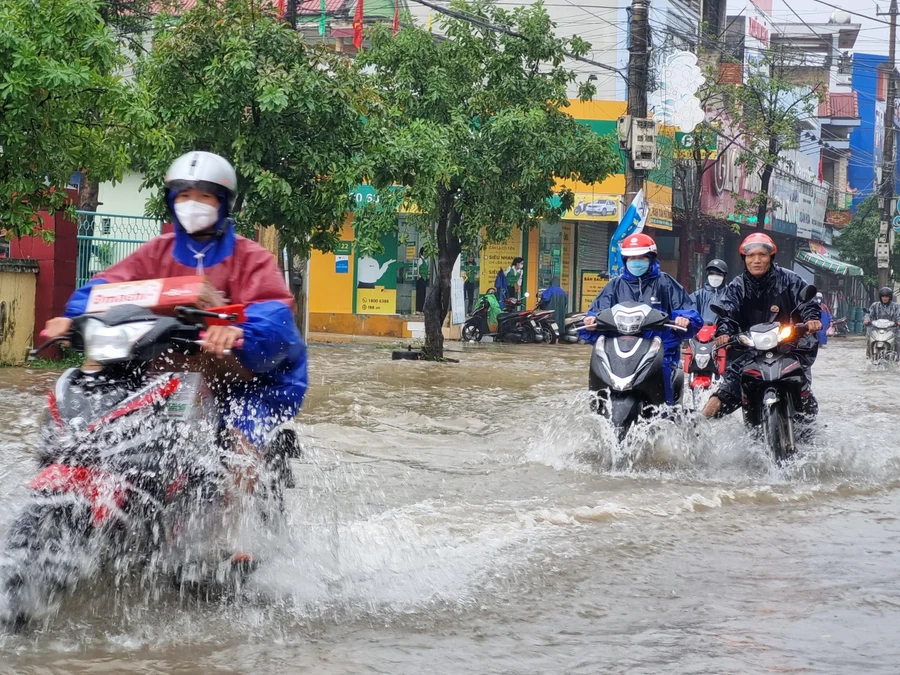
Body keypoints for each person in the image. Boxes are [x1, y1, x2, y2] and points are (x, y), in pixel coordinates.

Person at [43, 151, 309, 507]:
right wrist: (73, 316)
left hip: (250, 379)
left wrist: (240, 332)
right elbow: (106, 288)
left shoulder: (252, 257)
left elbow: (275, 315)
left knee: (238, 439)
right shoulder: (155, 253)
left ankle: (233, 536)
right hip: (171, 369)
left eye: (204, 196)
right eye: (183, 195)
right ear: (171, 201)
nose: (192, 204)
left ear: (223, 203)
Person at [701, 233, 822, 419]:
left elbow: (807, 303)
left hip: (789, 348)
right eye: (751, 256)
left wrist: (811, 320)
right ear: (744, 259)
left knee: (806, 400)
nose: (756, 260)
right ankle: (693, 433)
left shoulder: (790, 280)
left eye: (762, 255)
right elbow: (727, 311)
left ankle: (810, 431)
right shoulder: (737, 286)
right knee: (717, 401)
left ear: (771, 257)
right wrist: (724, 333)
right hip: (751, 351)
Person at [580, 233, 701, 404]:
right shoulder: (615, 285)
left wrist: (683, 318)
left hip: (659, 349)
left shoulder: (665, 282)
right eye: (631, 258)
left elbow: (688, 310)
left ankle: (667, 416)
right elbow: (597, 311)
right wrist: (591, 321)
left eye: (641, 257)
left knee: (664, 371)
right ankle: (599, 413)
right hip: (620, 350)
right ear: (625, 260)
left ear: (650, 258)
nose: (636, 262)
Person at [863, 287, 900, 357]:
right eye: (883, 296)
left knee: (898, 341)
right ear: (880, 297)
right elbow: (868, 313)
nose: (885, 298)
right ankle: (869, 354)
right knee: (869, 339)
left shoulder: (896, 306)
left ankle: (897, 357)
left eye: (886, 296)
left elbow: (899, 315)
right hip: (876, 329)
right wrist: (866, 320)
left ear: (890, 297)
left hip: (891, 330)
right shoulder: (875, 305)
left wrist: (898, 322)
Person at [690, 259, 728, 325]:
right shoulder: (697, 295)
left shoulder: (730, 295)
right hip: (699, 333)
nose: (715, 277)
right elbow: (690, 314)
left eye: (719, 274)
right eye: (712, 274)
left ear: (724, 276)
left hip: (723, 333)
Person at [415, 247, 429, 314]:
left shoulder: (426, 260)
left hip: (425, 278)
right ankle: (418, 309)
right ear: (422, 252)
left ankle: (422, 309)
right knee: (419, 294)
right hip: (421, 278)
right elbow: (417, 268)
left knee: (423, 294)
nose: (425, 253)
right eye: (424, 251)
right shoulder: (420, 260)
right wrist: (418, 275)